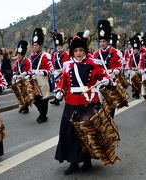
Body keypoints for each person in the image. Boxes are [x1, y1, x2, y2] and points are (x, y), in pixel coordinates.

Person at [54, 35, 112, 175]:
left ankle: (87, 160)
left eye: (81, 50)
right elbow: (63, 82)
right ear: (72, 52)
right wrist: (59, 91)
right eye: (76, 51)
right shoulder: (68, 66)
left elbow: (105, 77)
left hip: (88, 103)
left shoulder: (94, 64)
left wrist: (107, 81)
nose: (78, 53)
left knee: (88, 134)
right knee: (70, 133)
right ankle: (73, 162)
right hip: (72, 103)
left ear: (85, 51)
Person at [93, 20, 123, 118]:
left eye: (104, 41)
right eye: (101, 41)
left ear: (108, 41)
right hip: (100, 80)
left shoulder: (115, 52)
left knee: (110, 101)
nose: (102, 43)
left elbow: (121, 65)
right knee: (100, 102)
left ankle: (110, 118)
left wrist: (118, 70)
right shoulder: (96, 54)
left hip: (112, 78)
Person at [30, 28, 53, 123]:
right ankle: (41, 113)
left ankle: (43, 116)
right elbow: (30, 68)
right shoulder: (31, 56)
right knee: (35, 99)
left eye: (36, 45)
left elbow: (51, 69)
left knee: (44, 99)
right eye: (34, 45)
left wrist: (43, 72)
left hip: (43, 79)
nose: (35, 47)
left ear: (40, 46)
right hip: (34, 79)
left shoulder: (45, 56)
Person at [12, 40, 32, 113]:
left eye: (19, 55)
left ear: (23, 55)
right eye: (17, 55)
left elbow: (30, 71)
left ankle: (26, 108)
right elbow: (14, 70)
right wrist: (14, 75)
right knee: (19, 95)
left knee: (25, 94)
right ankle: (22, 106)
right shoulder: (16, 62)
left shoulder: (28, 61)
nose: (18, 56)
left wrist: (25, 74)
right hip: (18, 80)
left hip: (25, 80)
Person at [50, 33, 69, 105]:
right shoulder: (55, 54)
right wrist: (53, 70)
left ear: (62, 46)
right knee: (56, 86)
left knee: (64, 86)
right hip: (56, 72)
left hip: (63, 71)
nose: (59, 47)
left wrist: (62, 71)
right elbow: (52, 62)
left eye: (60, 46)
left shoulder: (66, 53)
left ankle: (66, 100)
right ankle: (56, 99)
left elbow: (67, 64)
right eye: (57, 46)